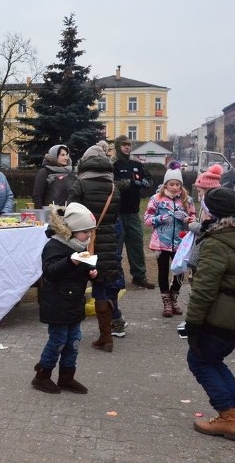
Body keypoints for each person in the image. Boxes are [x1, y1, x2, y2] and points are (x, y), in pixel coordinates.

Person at [184, 187, 235, 441]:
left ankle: (228, 418)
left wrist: (192, 323)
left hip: (223, 314)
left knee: (199, 360)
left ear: (210, 210)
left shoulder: (217, 241)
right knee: (214, 360)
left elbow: (204, 288)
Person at [32, 202, 99, 394]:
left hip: (74, 303)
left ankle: (67, 377)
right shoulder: (54, 246)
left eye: (90, 232)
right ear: (71, 230)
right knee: (58, 340)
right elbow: (50, 272)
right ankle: (42, 376)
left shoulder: (80, 247)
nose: (88, 236)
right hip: (56, 304)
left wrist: (91, 273)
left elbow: (85, 269)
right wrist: (70, 262)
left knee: (74, 340)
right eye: (85, 232)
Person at [68, 141, 123, 349]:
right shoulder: (112, 186)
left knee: (75, 283)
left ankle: (70, 333)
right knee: (101, 286)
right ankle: (106, 336)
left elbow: (70, 212)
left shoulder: (80, 184)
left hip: (83, 241)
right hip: (108, 240)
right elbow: (114, 215)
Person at [144, 163, 196, 317]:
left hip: (181, 242)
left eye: (177, 184)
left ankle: (174, 298)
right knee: (163, 271)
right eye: (171, 184)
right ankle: (166, 302)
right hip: (161, 242)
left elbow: (193, 218)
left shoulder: (187, 200)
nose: (174, 187)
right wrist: (161, 218)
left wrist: (186, 219)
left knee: (179, 271)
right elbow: (147, 219)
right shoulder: (157, 199)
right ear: (166, 184)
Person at [111, 136, 156, 289]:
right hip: (117, 213)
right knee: (116, 247)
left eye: (129, 145)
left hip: (133, 213)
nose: (127, 147)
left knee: (136, 244)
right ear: (118, 147)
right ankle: (114, 278)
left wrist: (146, 183)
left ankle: (139, 276)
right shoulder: (113, 165)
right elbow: (111, 184)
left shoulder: (137, 165)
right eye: (124, 145)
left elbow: (149, 180)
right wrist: (129, 183)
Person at [187, 164, 224, 276]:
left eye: (199, 191)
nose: (198, 196)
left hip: (206, 251)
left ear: (208, 190)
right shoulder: (211, 203)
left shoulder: (209, 206)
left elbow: (207, 228)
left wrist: (192, 225)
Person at [31, 144, 75, 209]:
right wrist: (41, 214)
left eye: (66, 155)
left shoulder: (70, 173)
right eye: (62, 155)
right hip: (50, 214)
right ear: (54, 156)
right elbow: (37, 196)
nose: (66, 158)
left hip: (68, 214)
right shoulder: (44, 173)